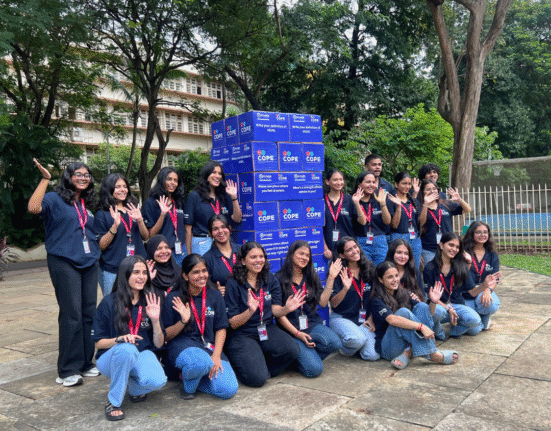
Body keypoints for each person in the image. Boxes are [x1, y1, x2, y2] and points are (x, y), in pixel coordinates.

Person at [28, 159, 100, 387]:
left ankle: (85, 362)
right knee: (72, 314)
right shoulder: (54, 198)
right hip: (64, 261)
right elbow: (33, 208)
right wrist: (45, 179)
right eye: (78, 174)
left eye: (86, 175)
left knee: (88, 313)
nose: (83, 178)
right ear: (68, 176)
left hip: (89, 262)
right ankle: (68, 369)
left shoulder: (86, 204)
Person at [92, 256, 167, 421]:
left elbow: (159, 343)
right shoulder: (109, 302)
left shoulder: (149, 301)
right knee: (127, 349)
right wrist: (120, 339)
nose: (142, 277)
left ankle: (134, 387)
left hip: (141, 354)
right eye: (136, 272)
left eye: (144, 273)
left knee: (159, 381)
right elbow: (98, 343)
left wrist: (155, 321)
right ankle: (113, 402)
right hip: (112, 357)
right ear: (125, 275)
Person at [223, 242, 301, 387]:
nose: (258, 260)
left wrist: (286, 309)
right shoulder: (233, 283)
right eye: (253, 257)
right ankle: (251, 368)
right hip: (242, 333)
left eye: (261, 256)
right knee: (257, 380)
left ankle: (261, 369)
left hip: (265, 328)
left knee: (292, 350)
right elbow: (233, 323)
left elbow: (275, 310)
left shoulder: (270, 278)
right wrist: (250, 311)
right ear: (243, 261)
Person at [161, 254, 238, 400]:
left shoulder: (215, 295)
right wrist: (183, 321)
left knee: (228, 389)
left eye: (204, 271)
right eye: (196, 272)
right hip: (183, 346)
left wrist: (216, 355)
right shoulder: (174, 298)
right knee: (200, 362)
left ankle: (191, 376)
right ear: (185, 276)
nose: (202, 275)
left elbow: (221, 328)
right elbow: (166, 335)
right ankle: (188, 386)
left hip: (208, 346)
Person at [370, 261, 458, 369]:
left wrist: (433, 302)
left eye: (396, 276)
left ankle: (408, 352)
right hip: (389, 347)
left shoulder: (404, 292)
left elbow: (427, 314)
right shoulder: (376, 299)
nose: (395, 279)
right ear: (380, 280)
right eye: (390, 277)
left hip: (407, 343)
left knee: (422, 306)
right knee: (403, 312)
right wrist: (421, 326)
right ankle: (432, 354)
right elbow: (392, 320)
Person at [275, 241, 343, 377]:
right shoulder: (278, 278)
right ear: (291, 254)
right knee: (314, 370)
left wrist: (331, 278)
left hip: (311, 324)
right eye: (301, 253)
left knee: (335, 343)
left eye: (307, 255)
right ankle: (296, 359)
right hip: (290, 330)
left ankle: (307, 355)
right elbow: (279, 314)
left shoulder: (311, 276)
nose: (304, 258)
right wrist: (297, 334)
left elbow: (323, 302)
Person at [95, 173, 148, 295]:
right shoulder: (102, 214)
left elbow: (145, 237)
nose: (122, 189)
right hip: (113, 270)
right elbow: (101, 245)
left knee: (138, 303)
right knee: (113, 304)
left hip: (137, 268)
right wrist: (114, 226)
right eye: (117, 187)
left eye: (125, 186)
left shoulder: (133, 209)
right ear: (109, 189)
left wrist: (139, 220)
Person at [423, 232, 482, 339]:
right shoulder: (429, 268)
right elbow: (431, 297)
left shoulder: (460, 266)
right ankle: (437, 329)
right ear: (441, 245)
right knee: (438, 312)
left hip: (457, 305)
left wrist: (485, 285)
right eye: (451, 245)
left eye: (457, 247)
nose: (454, 249)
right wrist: (448, 309)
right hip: (439, 306)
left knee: (475, 322)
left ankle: (454, 331)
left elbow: (472, 291)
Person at [328, 237, 379, 361]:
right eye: (349, 250)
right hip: (342, 317)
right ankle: (345, 348)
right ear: (342, 255)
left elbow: (376, 297)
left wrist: (371, 318)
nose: (355, 251)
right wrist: (345, 289)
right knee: (357, 339)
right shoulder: (337, 271)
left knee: (372, 355)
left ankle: (356, 343)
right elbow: (334, 304)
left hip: (363, 319)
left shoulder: (369, 268)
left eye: (355, 247)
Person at [184, 161, 241, 256]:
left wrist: (234, 197)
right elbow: (187, 229)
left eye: (220, 173)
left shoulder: (224, 195)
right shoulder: (194, 196)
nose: (217, 176)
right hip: (202, 243)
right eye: (214, 172)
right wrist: (189, 255)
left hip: (223, 241)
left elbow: (237, 219)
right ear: (206, 175)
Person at [419, 179, 471, 265]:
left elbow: (467, 210)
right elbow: (421, 222)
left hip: (448, 247)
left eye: (434, 188)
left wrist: (459, 200)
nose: (432, 191)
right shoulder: (420, 206)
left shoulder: (446, 204)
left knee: (449, 271)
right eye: (428, 189)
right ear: (423, 192)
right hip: (429, 249)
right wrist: (426, 204)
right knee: (432, 271)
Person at [354, 171, 400, 266]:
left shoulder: (379, 198)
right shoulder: (354, 201)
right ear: (359, 184)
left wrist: (382, 203)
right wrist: (357, 204)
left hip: (380, 241)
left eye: (373, 182)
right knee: (367, 271)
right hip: (362, 241)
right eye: (368, 182)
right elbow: (363, 222)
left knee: (382, 270)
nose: (372, 185)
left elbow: (387, 221)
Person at [143, 167, 186, 265]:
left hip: (181, 250)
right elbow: (150, 235)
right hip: (163, 252)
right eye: (169, 179)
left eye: (175, 180)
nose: (173, 183)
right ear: (162, 180)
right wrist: (162, 215)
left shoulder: (178, 201)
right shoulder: (151, 202)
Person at [462, 221, 501, 331]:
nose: (482, 235)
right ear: (471, 234)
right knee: (473, 331)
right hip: (466, 292)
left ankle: (483, 316)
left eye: (485, 232)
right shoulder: (464, 252)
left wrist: (488, 291)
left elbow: (495, 278)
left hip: (483, 289)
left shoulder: (492, 254)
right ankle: (481, 320)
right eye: (478, 232)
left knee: (491, 304)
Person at [323, 169, 366, 259]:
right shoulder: (321, 201)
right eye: (335, 180)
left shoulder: (349, 199)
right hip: (329, 250)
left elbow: (363, 222)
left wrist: (357, 203)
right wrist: (325, 248)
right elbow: (318, 228)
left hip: (349, 250)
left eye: (341, 179)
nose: (339, 182)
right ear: (327, 182)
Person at [389, 172, 422, 270]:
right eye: (404, 183)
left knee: (414, 268)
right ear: (396, 184)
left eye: (409, 184)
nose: (407, 186)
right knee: (398, 268)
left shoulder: (413, 201)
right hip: (398, 236)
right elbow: (394, 225)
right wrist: (398, 206)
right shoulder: (391, 200)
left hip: (414, 237)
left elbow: (419, 221)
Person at [202, 215, 240, 296]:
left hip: (245, 298)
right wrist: (214, 291)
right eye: (215, 229)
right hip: (224, 300)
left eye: (223, 227)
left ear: (229, 228)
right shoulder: (206, 259)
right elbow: (204, 286)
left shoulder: (242, 251)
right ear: (210, 233)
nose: (220, 231)